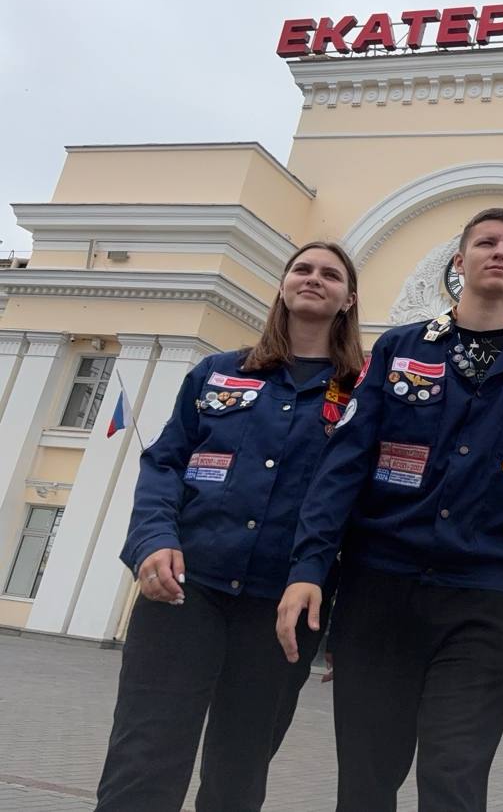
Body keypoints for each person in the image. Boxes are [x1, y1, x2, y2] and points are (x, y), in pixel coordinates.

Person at [276, 207, 503, 812]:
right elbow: (344, 467)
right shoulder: (399, 349)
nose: (500, 252)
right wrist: (309, 567)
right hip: (380, 591)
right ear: (459, 261)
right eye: (486, 243)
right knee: (367, 779)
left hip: (482, 600)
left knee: (454, 775)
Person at [95, 241, 363, 812]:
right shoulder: (217, 373)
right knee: (144, 761)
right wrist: (153, 541)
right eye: (302, 269)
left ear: (348, 299)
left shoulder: (363, 396)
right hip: (185, 593)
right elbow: (164, 463)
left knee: (237, 777)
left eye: (330, 274)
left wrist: (349, 626)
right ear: (283, 286)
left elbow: (364, 510)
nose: (313, 278)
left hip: (281, 610)